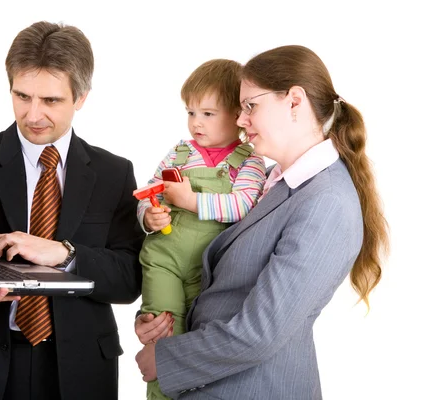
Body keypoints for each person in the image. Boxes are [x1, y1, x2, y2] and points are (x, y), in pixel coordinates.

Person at [134, 45, 389, 399]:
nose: (240, 120)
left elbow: (260, 331)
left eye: (251, 105)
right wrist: (161, 319)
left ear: (294, 102)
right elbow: (216, 281)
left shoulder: (325, 202)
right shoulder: (265, 182)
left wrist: (166, 359)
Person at [0, 21, 144, 400]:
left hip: (77, 369)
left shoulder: (113, 173)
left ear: (82, 96)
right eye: (22, 96)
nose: (33, 114)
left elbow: (129, 278)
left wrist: (65, 254)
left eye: (51, 101)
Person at [137, 59, 266, 399]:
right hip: (163, 258)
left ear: (238, 116)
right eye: (191, 112)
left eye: (208, 114)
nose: (196, 122)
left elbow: (245, 205)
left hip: (210, 269)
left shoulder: (249, 161)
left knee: (199, 343)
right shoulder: (178, 154)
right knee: (163, 329)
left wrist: (192, 201)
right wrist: (149, 216)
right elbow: (149, 191)